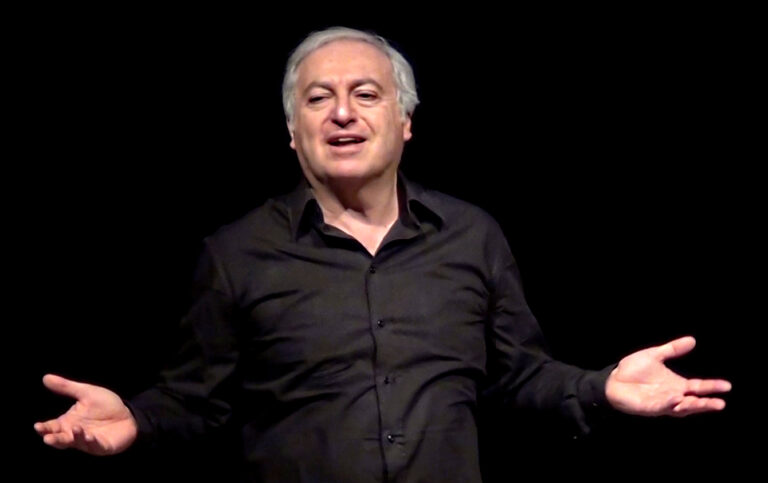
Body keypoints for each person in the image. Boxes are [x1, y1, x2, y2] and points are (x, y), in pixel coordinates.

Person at [34, 27, 732, 482]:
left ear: (403, 121)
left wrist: (601, 386)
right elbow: (196, 399)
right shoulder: (235, 253)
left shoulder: (472, 236)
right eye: (319, 99)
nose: (343, 113)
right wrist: (136, 418)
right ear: (293, 131)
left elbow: (519, 376)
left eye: (366, 95)